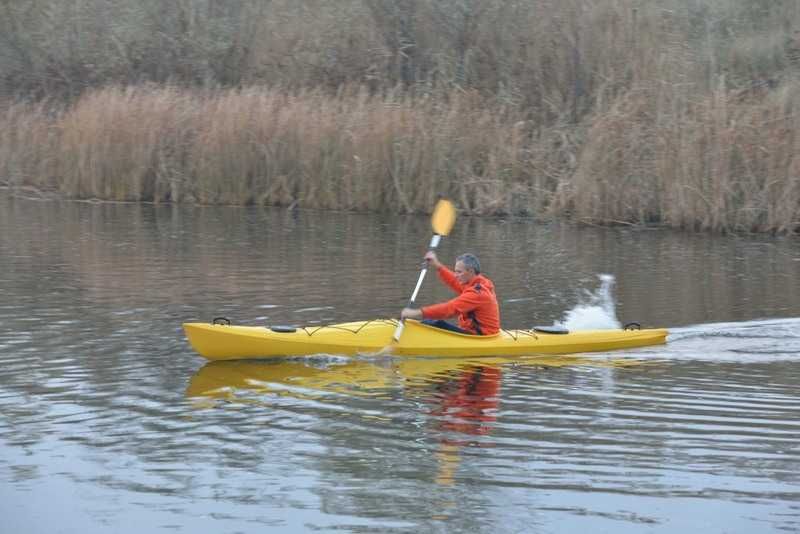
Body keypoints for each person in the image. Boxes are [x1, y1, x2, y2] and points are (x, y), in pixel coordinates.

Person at [400, 252, 500, 335]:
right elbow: (454, 281)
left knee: (437, 324)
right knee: (429, 322)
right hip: (475, 332)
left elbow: (449, 309)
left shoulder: (478, 294)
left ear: (470, 271)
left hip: (480, 335)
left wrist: (416, 313)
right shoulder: (475, 283)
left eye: (459, 272)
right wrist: (437, 266)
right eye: (455, 271)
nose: (456, 275)